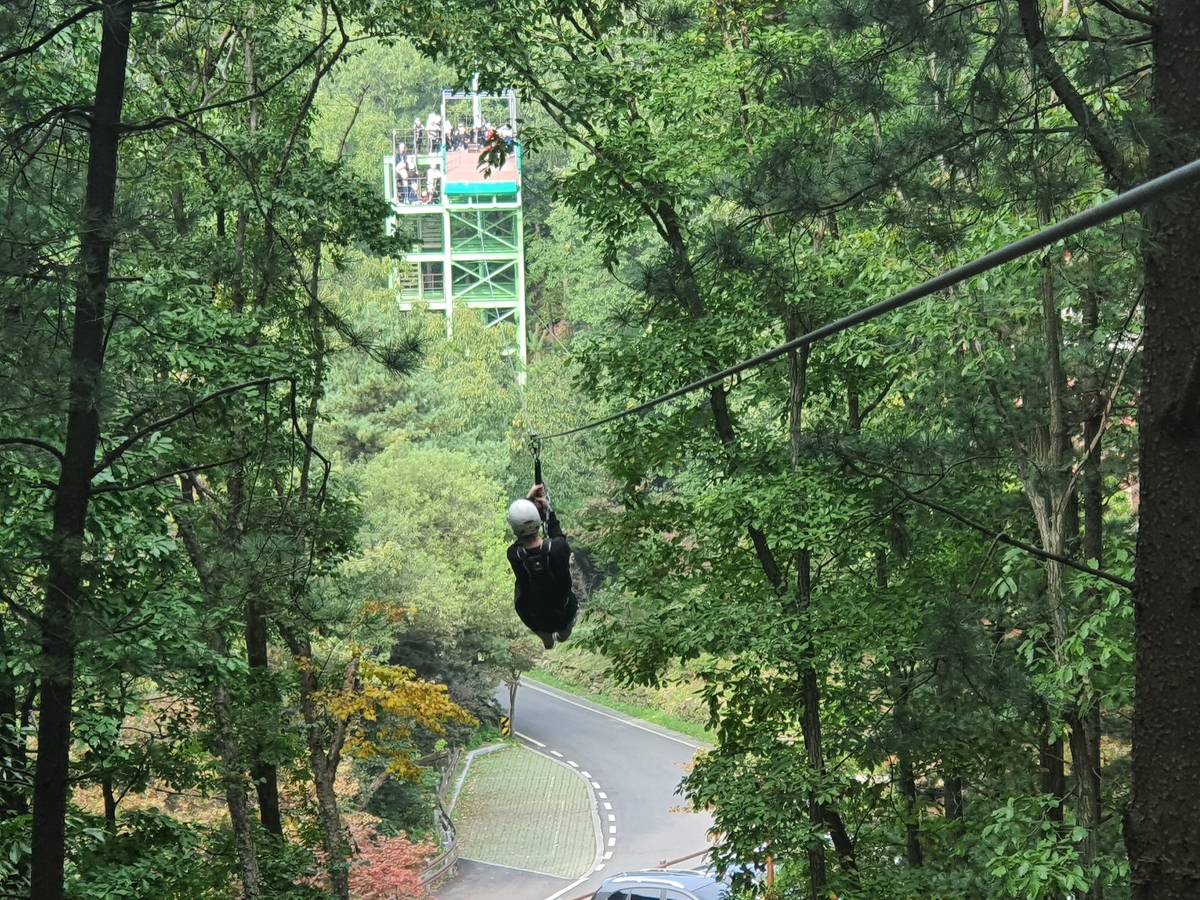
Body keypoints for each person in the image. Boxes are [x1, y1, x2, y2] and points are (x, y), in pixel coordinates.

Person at [507, 484, 577, 650]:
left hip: (534, 617)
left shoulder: (514, 555)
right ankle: (563, 634)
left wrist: (527, 503)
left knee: (521, 594)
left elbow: (520, 529)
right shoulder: (558, 548)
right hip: (563, 612)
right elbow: (558, 534)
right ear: (537, 521)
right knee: (566, 625)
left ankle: (546, 638)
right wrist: (547, 511)